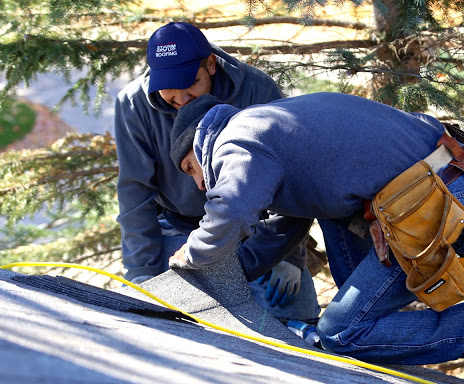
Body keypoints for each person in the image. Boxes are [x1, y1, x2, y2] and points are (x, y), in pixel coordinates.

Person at [168, 92, 464, 383]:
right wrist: (215, 278)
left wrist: (192, 258)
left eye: (189, 168)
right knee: (357, 324)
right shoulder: (265, 133)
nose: (198, 183)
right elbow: (281, 229)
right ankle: (357, 338)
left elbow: (231, 210)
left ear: (200, 144)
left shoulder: (236, 139)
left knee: (342, 333)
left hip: (434, 196)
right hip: (423, 188)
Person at [114, 22, 320, 321]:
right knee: (171, 314)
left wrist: (289, 255)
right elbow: (135, 191)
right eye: (169, 87)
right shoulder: (134, 104)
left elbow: (292, 175)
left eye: (190, 83)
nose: (181, 98)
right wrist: (142, 273)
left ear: (210, 64)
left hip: (254, 226)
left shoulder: (257, 89)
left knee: (294, 315)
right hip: (179, 225)